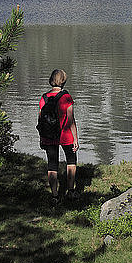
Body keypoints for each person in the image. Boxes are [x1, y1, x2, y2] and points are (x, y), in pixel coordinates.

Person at [38, 69, 79, 202]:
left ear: (51, 80)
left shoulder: (43, 98)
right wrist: (76, 139)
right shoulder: (66, 97)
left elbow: (40, 120)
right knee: (71, 161)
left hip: (48, 136)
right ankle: (71, 191)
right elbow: (71, 120)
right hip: (65, 135)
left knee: (52, 164)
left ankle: (55, 195)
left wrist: (41, 138)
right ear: (63, 81)